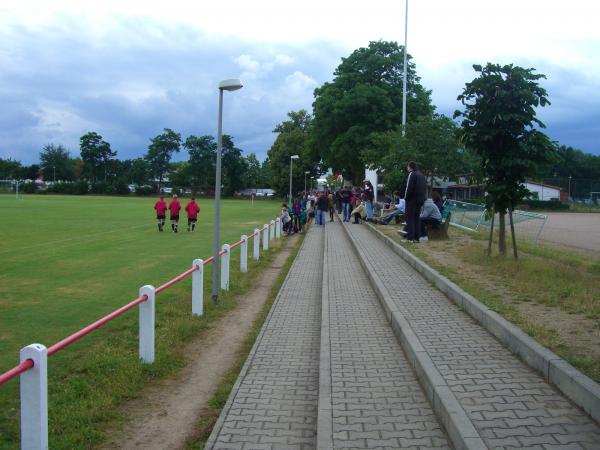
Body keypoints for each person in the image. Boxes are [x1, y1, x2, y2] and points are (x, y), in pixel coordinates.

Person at [404, 161, 427, 243]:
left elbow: (409, 187)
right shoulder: (421, 175)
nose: (407, 168)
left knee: (409, 218)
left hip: (412, 200)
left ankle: (410, 238)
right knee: (416, 218)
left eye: (407, 166)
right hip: (420, 200)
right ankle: (417, 238)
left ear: (410, 167)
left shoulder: (412, 174)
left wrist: (406, 198)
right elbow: (425, 187)